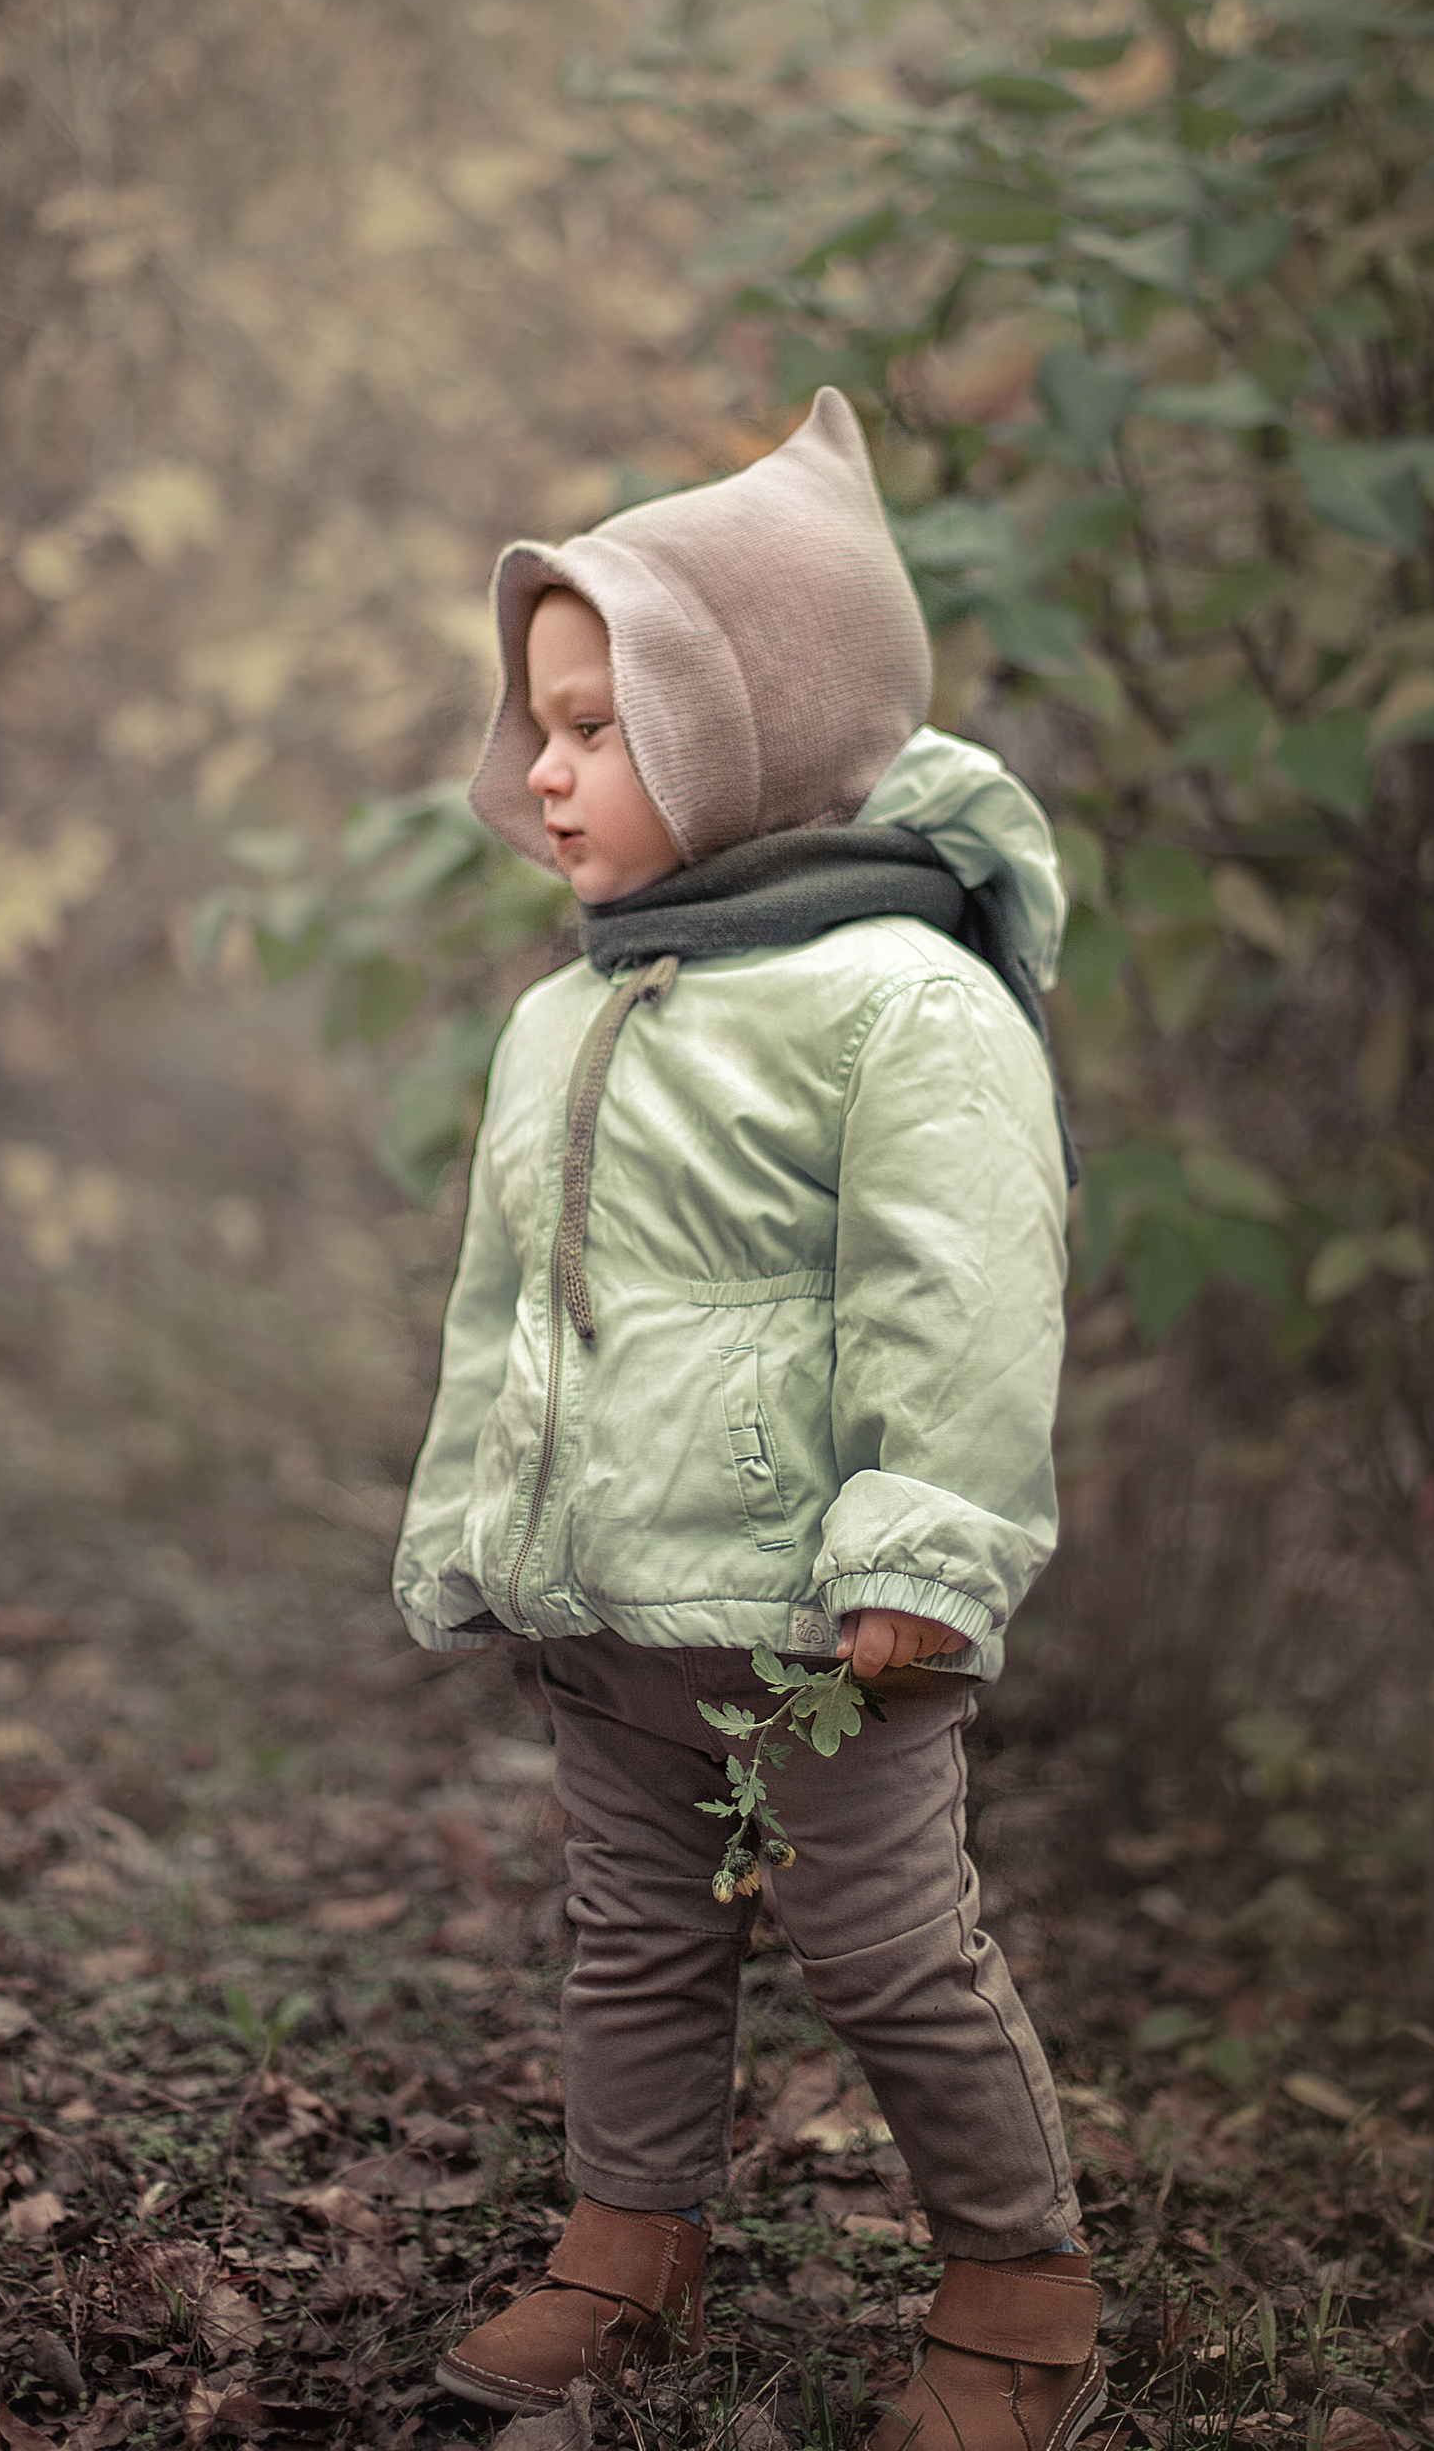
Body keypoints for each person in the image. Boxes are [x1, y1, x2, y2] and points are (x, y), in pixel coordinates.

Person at [390, 389, 1103, 2451]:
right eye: (539, 720)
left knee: (884, 1951)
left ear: (752, 726)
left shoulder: (901, 994)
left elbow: (958, 1293)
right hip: (613, 1607)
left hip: (816, 1622)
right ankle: (630, 2242)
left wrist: (921, 1547)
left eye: (598, 725)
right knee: (629, 1936)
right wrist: (477, 1524)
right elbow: (503, 1314)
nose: (542, 766)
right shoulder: (568, 1003)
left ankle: (1016, 2286)